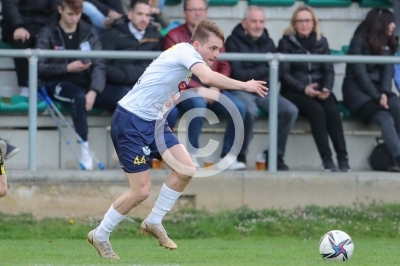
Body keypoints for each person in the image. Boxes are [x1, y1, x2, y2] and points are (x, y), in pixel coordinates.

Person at [87, 19, 267, 259]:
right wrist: (245, 85)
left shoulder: (186, 59)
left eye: (219, 49)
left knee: (186, 169)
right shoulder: (185, 51)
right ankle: (100, 234)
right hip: (131, 121)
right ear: (196, 44)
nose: (217, 53)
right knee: (141, 192)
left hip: (154, 123)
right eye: (212, 48)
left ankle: (154, 221)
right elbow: (210, 79)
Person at [36, 0, 127, 170]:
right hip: (58, 82)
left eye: (77, 14)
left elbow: (99, 64)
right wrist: (66, 67)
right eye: (70, 14)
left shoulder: (88, 31)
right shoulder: (48, 32)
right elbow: (39, 67)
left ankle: (123, 148)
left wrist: (94, 90)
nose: (74, 18)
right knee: (78, 98)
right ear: (60, 10)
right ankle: (85, 152)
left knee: (124, 99)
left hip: (87, 83)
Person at [163, 0, 247, 170]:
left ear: (206, 12)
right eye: (193, 10)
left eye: (201, 9)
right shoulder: (174, 36)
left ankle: (228, 158)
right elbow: (172, 70)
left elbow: (224, 65)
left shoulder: (214, 35)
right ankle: (190, 155)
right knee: (198, 102)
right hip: (182, 90)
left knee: (239, 107)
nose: (197, 13)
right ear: (185, 13)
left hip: (212, 88)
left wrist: (215, 87)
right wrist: (198, 88)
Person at [225, 6, 298, 170]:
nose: (258, 25)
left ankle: (274, 155)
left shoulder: (269, 41)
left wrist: (261, 74)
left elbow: (276, 71)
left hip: (263, 90)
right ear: (244, 23)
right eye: (253, 21)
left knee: (290, 110)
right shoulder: (232, 41)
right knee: (249, 111)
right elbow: (238, 73)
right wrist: (265, 69)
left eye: (261, 22)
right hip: (241, 89)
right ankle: (240, 154)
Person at [278, 5, 349, 172]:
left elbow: (328, 69)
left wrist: (326, 88)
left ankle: (343, 157)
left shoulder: (321, 41)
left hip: (319, 89)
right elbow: (284, 74)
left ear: (314, 23)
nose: (304, 24)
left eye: (308, 21)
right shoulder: (286, 42)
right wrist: (304, 89)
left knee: (332, 110)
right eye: (300, 21)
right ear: (294, 24)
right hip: (295, 92)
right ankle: (327, 159)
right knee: (316, 111)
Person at [342, 8, 400, 171]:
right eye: (391, 22)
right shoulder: (358, 42)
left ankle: (394, 155)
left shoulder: (389, 43)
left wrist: (384, 93)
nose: (394, 25)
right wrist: (377, 96)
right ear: (380, 24)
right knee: (385, 119)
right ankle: (398, 158)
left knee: (397, 107)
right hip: (357, 93)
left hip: (379, 91)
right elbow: (361, 76)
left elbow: (388, 73)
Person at [1, 0, 59, 97]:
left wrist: (47, 30)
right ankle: (26, 88)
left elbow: (55, 9)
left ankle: (49, 87)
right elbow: (9, 5)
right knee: (22, 39)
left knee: (51, 41)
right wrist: (18, 26)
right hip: (16, 25)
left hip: (43, 26)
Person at [100, 0, 162, 88]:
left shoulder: (156, 36)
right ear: (130, 15)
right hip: (117, 85)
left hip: (147, 86)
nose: (144, 19)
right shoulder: (112, 34)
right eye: (139, 14)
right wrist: (122, 76)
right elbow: (103, 64)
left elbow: (159, 66)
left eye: (147, 15)